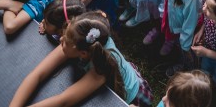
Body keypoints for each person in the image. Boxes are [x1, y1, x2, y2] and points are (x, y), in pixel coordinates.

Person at [10, 12, 152, 107]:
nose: (61, 40)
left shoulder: (100, 69)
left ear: (83, 53)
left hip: (132, 95)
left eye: (65, 42)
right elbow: (37, 74)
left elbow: (63, 101)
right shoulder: (77, 37)